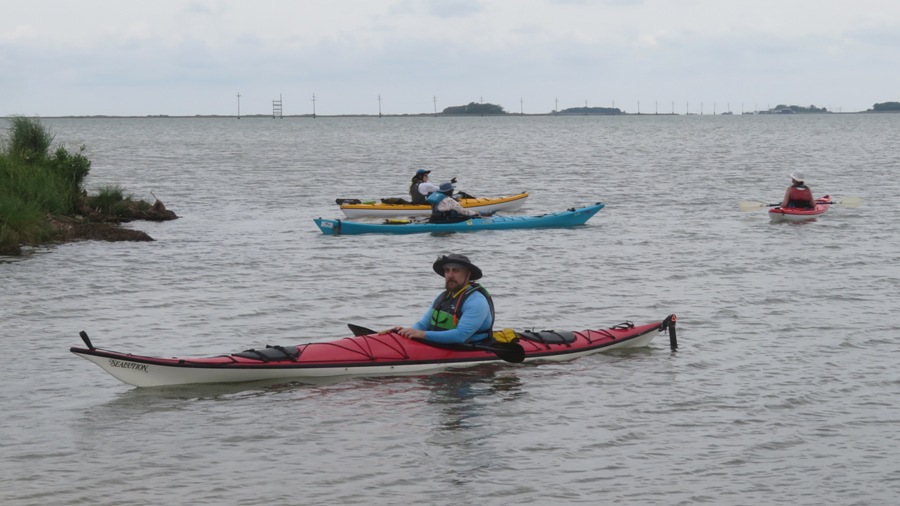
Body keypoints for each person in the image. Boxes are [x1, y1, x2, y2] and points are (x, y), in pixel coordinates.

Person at [391, 254, 495, 344]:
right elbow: (422, 325)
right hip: (442, 346)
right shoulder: (442, 297)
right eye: (447, 270)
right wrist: (406, 331)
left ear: (467, 274)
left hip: (469, 348)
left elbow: (460, 336)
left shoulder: (476, 301)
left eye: (455, 270)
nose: (450, 275)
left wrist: (421, 334)